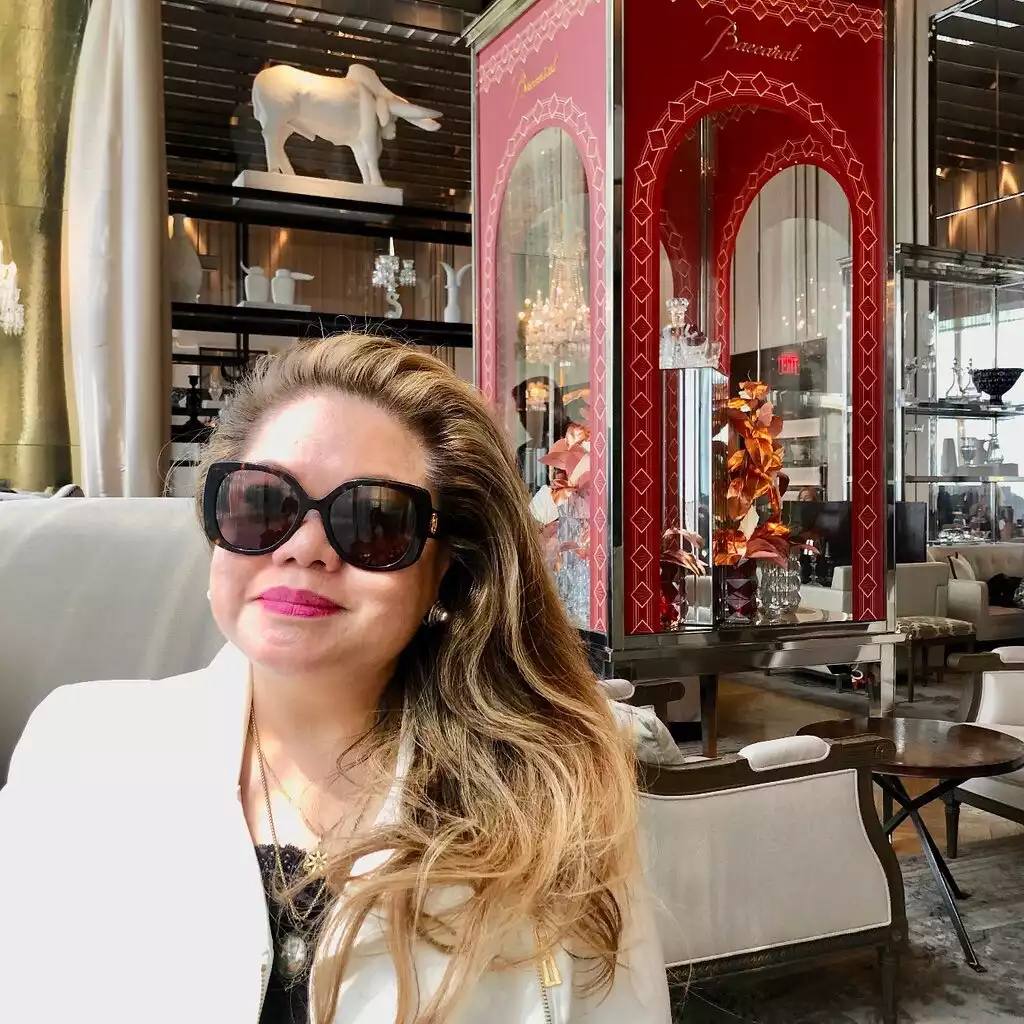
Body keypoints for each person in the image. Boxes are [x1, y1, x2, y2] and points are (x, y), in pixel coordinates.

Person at [0, 334, 671, 1024]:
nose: (303, 548)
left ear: (444, 570)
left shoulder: (551, 793)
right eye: (263, 504)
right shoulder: (77, 748)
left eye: (373, 521)